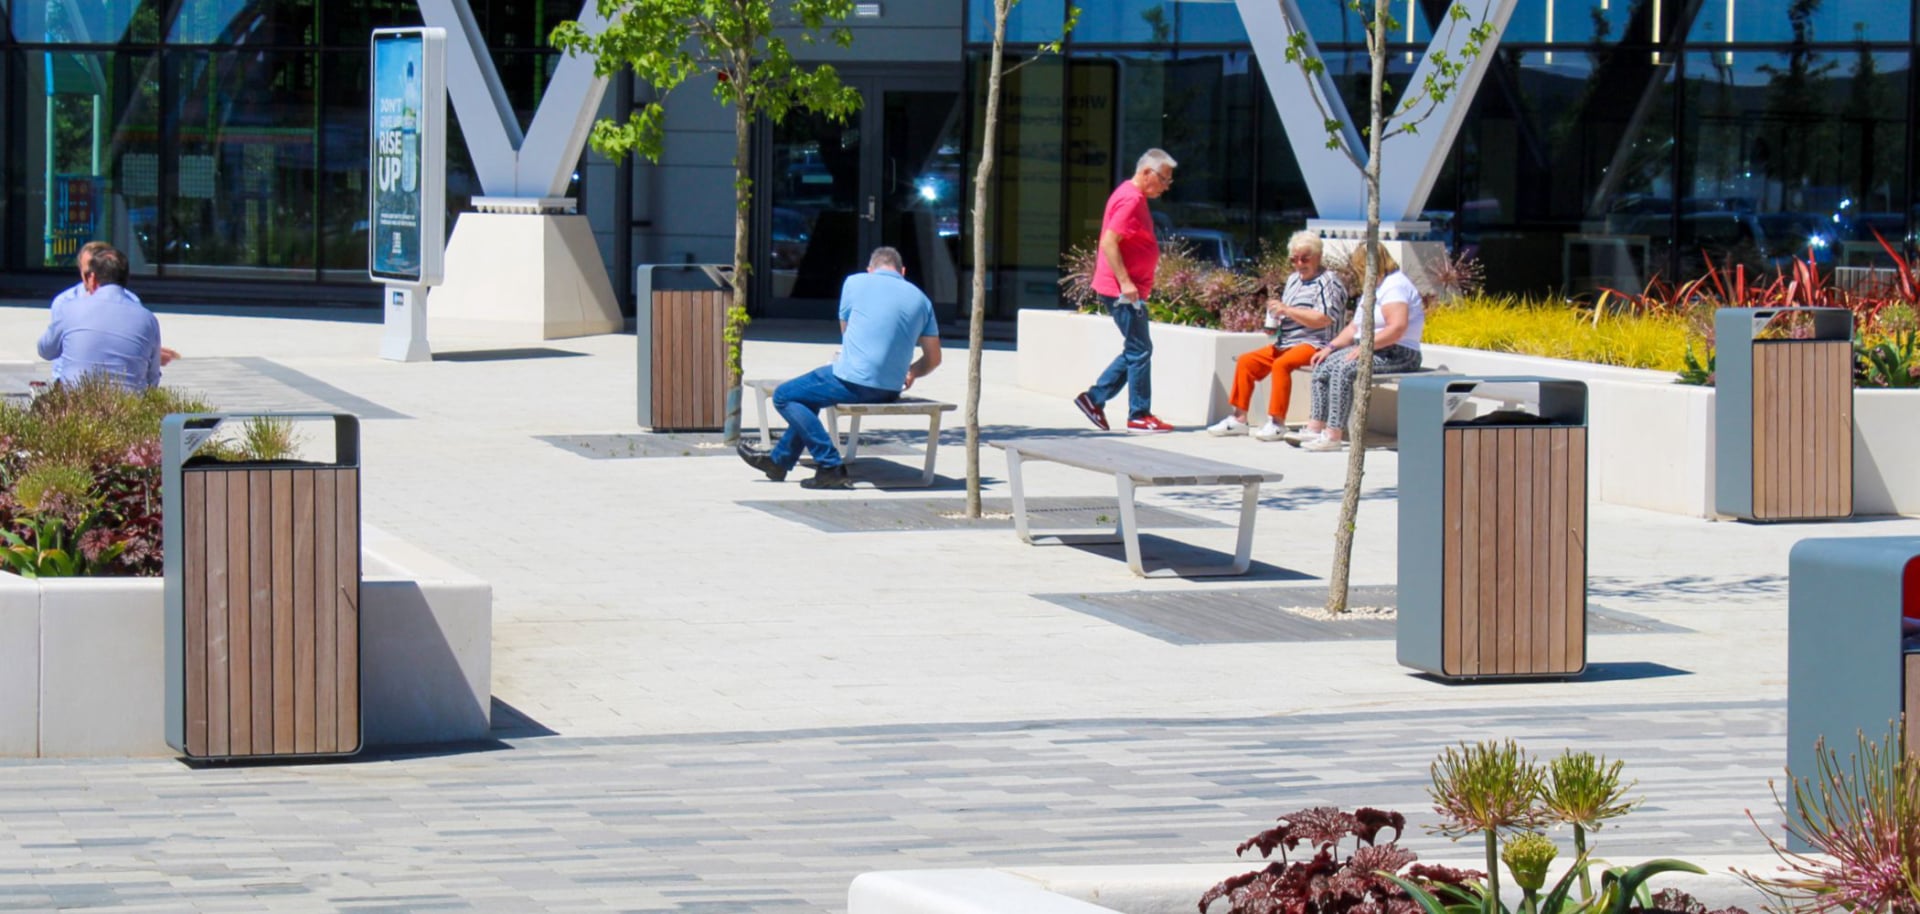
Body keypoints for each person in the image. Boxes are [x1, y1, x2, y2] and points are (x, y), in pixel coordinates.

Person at [737, 246, 941, 489]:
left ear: (870, 269)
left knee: (784, 396)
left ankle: (830, 465)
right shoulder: (921, 299)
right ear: (903, 271)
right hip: (890, 388)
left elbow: (847, 336)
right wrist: (913, 371)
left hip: (853, 381)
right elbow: (933, 358)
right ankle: (778, 462)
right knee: (807, 398)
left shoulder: (855, 283)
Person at [1072, 148, 1178, 434]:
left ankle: (1094, 399)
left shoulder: (1134, 196)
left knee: (1136, 349)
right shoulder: (1131, 199)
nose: (1167, 186)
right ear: (1146, 173)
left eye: (1169, 181)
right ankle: (1138, 415)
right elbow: (1109, 242)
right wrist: (1127, 282)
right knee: (1140, 349)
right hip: (1121, 290)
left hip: (1126, 289)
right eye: (1164, 179)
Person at [1206, 231, 1347, 441]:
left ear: (1318, 256)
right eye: (1294, 259)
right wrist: (1276, 320)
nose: (1299, 264)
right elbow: (1288, 312)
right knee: (1247, 362)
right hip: (1286, 341)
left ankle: (1277, 422)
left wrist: (1287, 311)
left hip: (1316, 343)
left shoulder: (1328, 282)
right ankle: (1239, 419)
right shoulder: (1293, 280)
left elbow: (1324, 318)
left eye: (1305, 259)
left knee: (1282, 364)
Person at [1292, 244, 1425, 452]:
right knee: (1324, 363)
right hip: (1373, 348)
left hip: (1398, 352)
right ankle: (1315, 426)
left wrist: (1365, 348)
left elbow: (1397, 328)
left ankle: (1333, 434)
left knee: (1343, 369)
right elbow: (1355, 326)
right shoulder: (1374, 287)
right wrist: (1330, 347)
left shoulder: (1395, 286)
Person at [36, 245, 165, 390]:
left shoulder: (69, 308)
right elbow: (153, 377)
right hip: (128, 407)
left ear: (92, 277)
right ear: (126, 277)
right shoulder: (148, 319)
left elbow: (45, 350)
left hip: (75, 404)